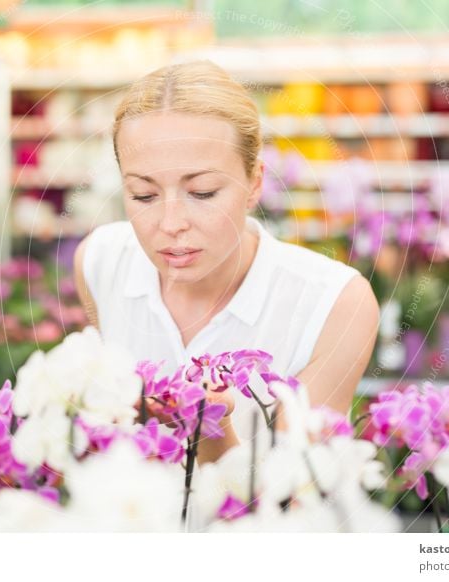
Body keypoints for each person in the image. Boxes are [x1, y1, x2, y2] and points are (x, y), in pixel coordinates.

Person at [73, 60, 379, 463]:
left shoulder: (334, 304)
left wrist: (213, 438)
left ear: (254, 182)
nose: (170, 224)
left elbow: (296, 504)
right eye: (143, 195)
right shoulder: (100, 261)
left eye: (202, 192)